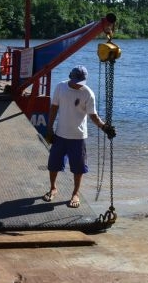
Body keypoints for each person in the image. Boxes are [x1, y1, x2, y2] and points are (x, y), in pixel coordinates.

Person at [43, 65, 116, 208]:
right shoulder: (60, 87)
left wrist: (104, 127)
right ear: (70, 77)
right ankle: (53, 188)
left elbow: (93, 116)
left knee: (79, 168)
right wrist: (49, 129)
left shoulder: (88, 93)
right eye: (76, 81)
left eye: (80, 82)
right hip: (60, 134)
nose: (78, 85)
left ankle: (75, 193)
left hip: (78, 137)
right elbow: (54, 108)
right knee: (53, 165)